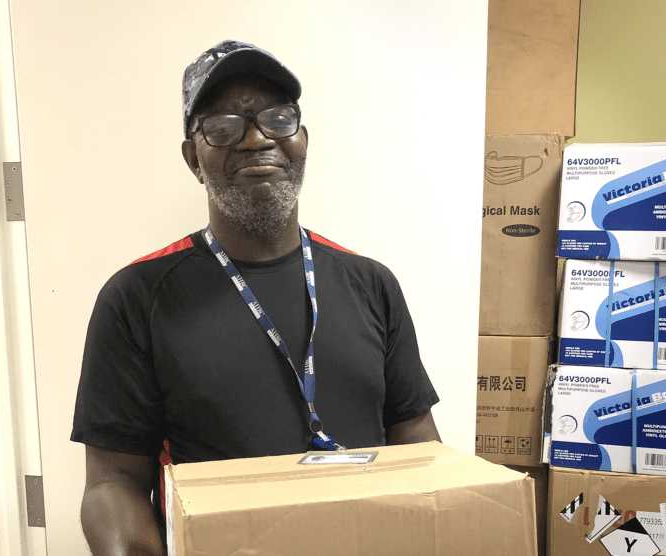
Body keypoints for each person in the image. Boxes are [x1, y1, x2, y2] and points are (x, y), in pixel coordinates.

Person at [71, 40, 440, 556]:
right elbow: (113, 483)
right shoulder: (136, 297)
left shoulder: (372, 283)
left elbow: (418, 444)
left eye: (277, 118)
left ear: (302, 140)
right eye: (222, 126)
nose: (256, 137)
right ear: (192, 157)